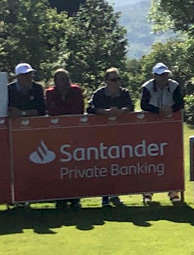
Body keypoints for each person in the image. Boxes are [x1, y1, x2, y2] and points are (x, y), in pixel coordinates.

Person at [88, 67, 133, 207]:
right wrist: (104, 112)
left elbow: (130, 107)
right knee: (104, 166)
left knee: (118, 165)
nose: (117, 82)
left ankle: (115, 195)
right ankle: (105, 197)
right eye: (114, 79)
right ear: (106, 81)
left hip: (121, 135)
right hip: (103, 136)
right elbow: (90, 108)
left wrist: (121, 111)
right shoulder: (99, 94)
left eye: (118, 79)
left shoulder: (124, 93)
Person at [140, 62, 184, 204]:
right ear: (154, 76)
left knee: (172, 159)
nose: (164, 77)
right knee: (151, 160)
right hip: (151, 129)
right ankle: (148, 193)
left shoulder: (174, 86)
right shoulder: (147, 87)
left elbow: (180, 103)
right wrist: (157, 111)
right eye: (160, 75)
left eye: (165, 74)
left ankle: (173, 192)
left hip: (171, 128)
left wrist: (171, 109)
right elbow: (143, 104)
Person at [45, 68, 85, 210]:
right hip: (56, 135)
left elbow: (78, 110)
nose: (62, 82)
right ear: (54, 82)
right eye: (58, 80)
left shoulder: (76, 91)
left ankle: (75, 198)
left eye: (64, 79)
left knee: (74, 167)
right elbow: (51, 112)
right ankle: (60, 198)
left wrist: (63, 114)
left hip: (74, 134)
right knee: (58, 167)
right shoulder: (50, 93)